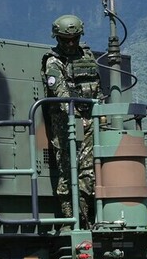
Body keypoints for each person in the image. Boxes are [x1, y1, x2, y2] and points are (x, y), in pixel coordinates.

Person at [40, 14, 101, 230]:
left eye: (75, 39)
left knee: (89, 171)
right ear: (58, 39)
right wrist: (75, 116)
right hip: (66, 124)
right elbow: (61, 93)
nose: (71, 43)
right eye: (66, 40)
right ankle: (70, 218)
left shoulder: (87, 56)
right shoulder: (53, 61)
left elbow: (97, 88)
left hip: (90, 120)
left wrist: (100, 115)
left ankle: (85, 216)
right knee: (67, 171)